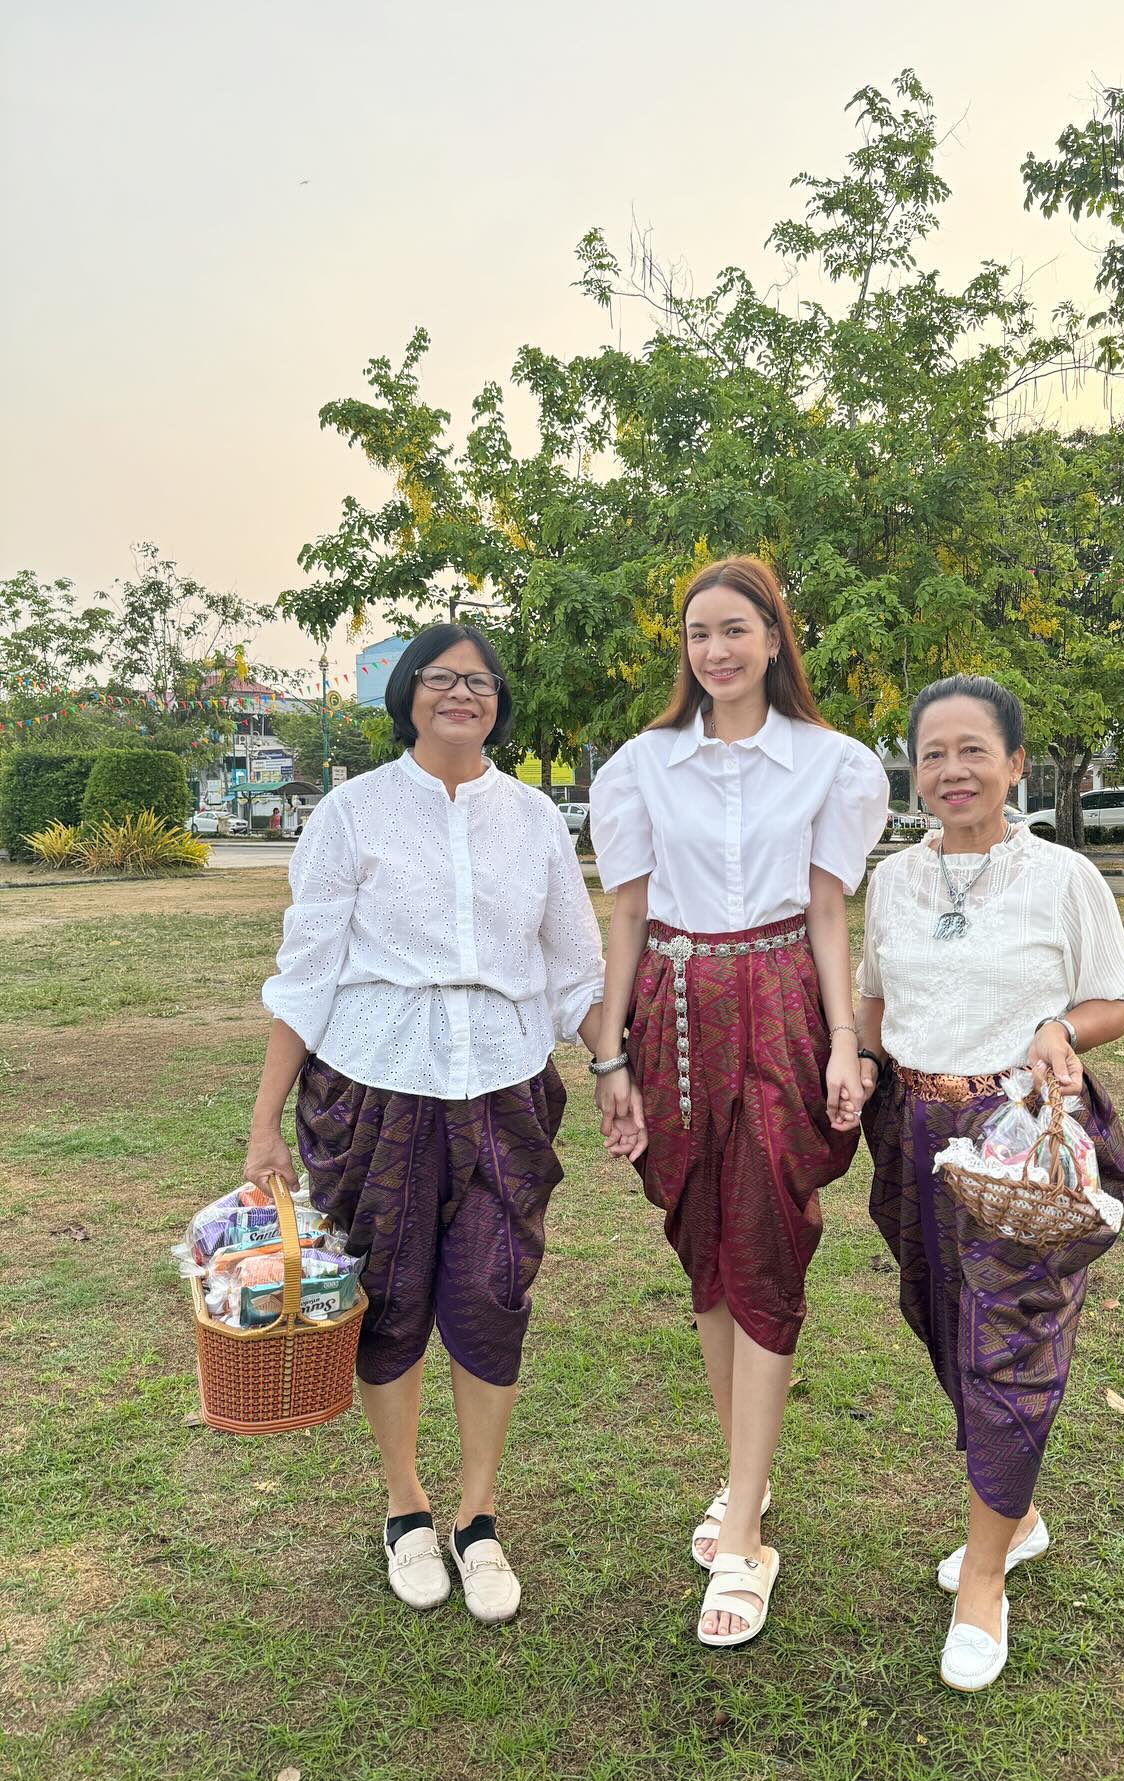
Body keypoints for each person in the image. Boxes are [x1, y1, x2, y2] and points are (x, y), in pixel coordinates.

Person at [245, 622, 637, 1625]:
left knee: (492, 1293)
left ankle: (476, 1517)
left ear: (499, 701)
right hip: (374, 1083)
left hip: (504, 1087)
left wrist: (612, 1064)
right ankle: (405, 1507)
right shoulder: (352, 813)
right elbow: (307, 972)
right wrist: (264, 1126)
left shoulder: (536, 820)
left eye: (479, 681)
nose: (460, 694)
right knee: (389, 1298)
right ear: (409, 695)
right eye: (439, 679)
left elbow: (572, 969)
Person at [588, 556, 889, 1648]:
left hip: (778, 1008)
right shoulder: (640, 767)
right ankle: (742, 1485)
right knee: (706, 1247)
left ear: (774, 637)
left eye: (735, 629)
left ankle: (748, 1540)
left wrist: (845, 1043)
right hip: (669, 1010)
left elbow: (825, 918)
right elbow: (624, 919)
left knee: (762, 1243)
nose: (715, 650)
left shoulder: (832, 765)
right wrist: (611, 1058)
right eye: (697, 633)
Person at [856, 675, 1124, 1692]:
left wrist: (1059, 1029)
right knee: (943, 1324)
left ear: (1016, 763)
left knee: (1011, 1348)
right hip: (913, 1128)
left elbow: (1117, 995)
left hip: (1018, 1134)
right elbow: (873, 1002)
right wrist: (854, 1064)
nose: (952, 771)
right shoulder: (892, 880)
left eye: (973, 750)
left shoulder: (1063, 878)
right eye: (932, 753)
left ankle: (985, 1577)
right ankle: (1015, 1516)